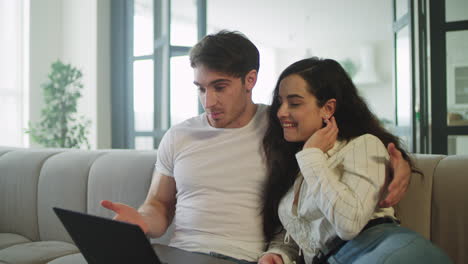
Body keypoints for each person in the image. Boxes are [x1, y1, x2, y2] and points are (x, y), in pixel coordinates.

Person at [101, 31, 412, 264]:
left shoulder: (281, 127)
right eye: (201, 88)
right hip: (177, 254)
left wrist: (399, 163)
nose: (209, 101)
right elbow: (159, 205)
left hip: (239, 257)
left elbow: (347, 135)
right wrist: (142, 220)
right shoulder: (178, 136)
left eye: (220, 87)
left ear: (250, 79)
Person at [259, 57, 452, 264]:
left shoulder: (363, 145)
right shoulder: (297, 163)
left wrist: (311, 156)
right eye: (280, 102)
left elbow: (348, 224)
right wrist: (279, 253)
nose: (281, 112)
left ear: (328, 109)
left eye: (294, 103)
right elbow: (304, 231)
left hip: (381, 247)